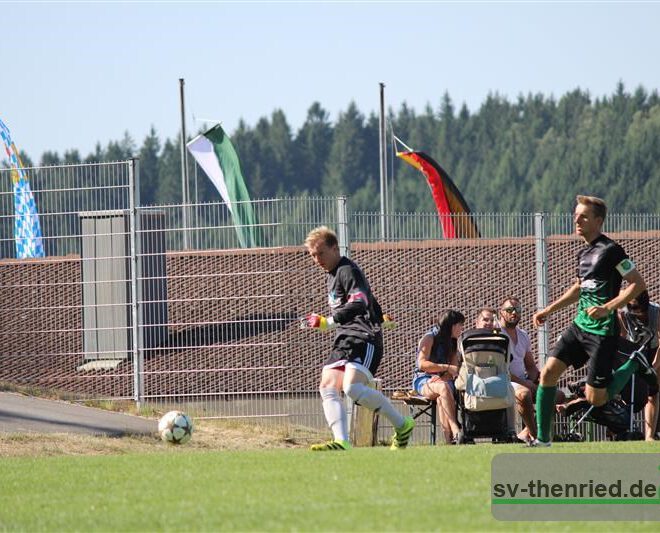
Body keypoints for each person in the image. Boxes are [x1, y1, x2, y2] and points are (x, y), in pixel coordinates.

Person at [531, 195, 654, 447]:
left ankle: (633, 364)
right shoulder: (583, 253)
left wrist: (608, 308)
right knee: (547, 374)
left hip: (602, 332)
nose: (577, 220)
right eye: (576, 215)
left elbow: (637, 284)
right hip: (579, 327)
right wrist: (549, 310)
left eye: (583, 216)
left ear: (598, 221)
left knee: (596, 398)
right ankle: (543, 440)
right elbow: (580, 288)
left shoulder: (612, 250)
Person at [303, 226, 414, 451]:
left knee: (351, 388)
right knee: (327, 385)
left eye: (321, 253)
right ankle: (342, 441)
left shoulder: (347, 270)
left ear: (335, 248)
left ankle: (403, 425)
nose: (317, 260)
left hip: (365, 337)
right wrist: (382, 316)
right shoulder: (333, 275)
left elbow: (359, 302)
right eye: (313, 255)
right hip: (345, 338)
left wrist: (328, 322)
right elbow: (369, 297)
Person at [412, 310, 464, 444]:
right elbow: (422, 364)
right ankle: (455, 428)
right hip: (423, 380)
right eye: (460, 324)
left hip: (443, 382)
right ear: (452, 325)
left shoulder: (453, 342)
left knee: (443, 393)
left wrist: (444, 375)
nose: (462, 328)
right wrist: (444, 368)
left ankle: (448, 441)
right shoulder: (429, 338)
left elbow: (454, 368)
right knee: (443, 388)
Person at [618, 290, 660, 441]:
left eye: (637, 309)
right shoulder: (623, 313)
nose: (634, 313)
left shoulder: (656, 313)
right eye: (631, 308)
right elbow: (622, 336)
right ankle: (622, 429)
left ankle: (650, 436)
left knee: (653, 391)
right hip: (634, 350)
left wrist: (654, 366)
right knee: (627, 390)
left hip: (654, 350)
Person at [498, 297, 539, 443]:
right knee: (524, 393)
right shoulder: (496, 334)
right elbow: (500, 369)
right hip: (504, 381)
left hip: (523, 381)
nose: (514, 313)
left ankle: (525, 433)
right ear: (501, 313)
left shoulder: (523, 335)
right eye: (509, 310)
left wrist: (536, 379)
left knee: (555, 394)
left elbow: (531, 366)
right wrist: (527, 384)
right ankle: (536, 437)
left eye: (518, 310)